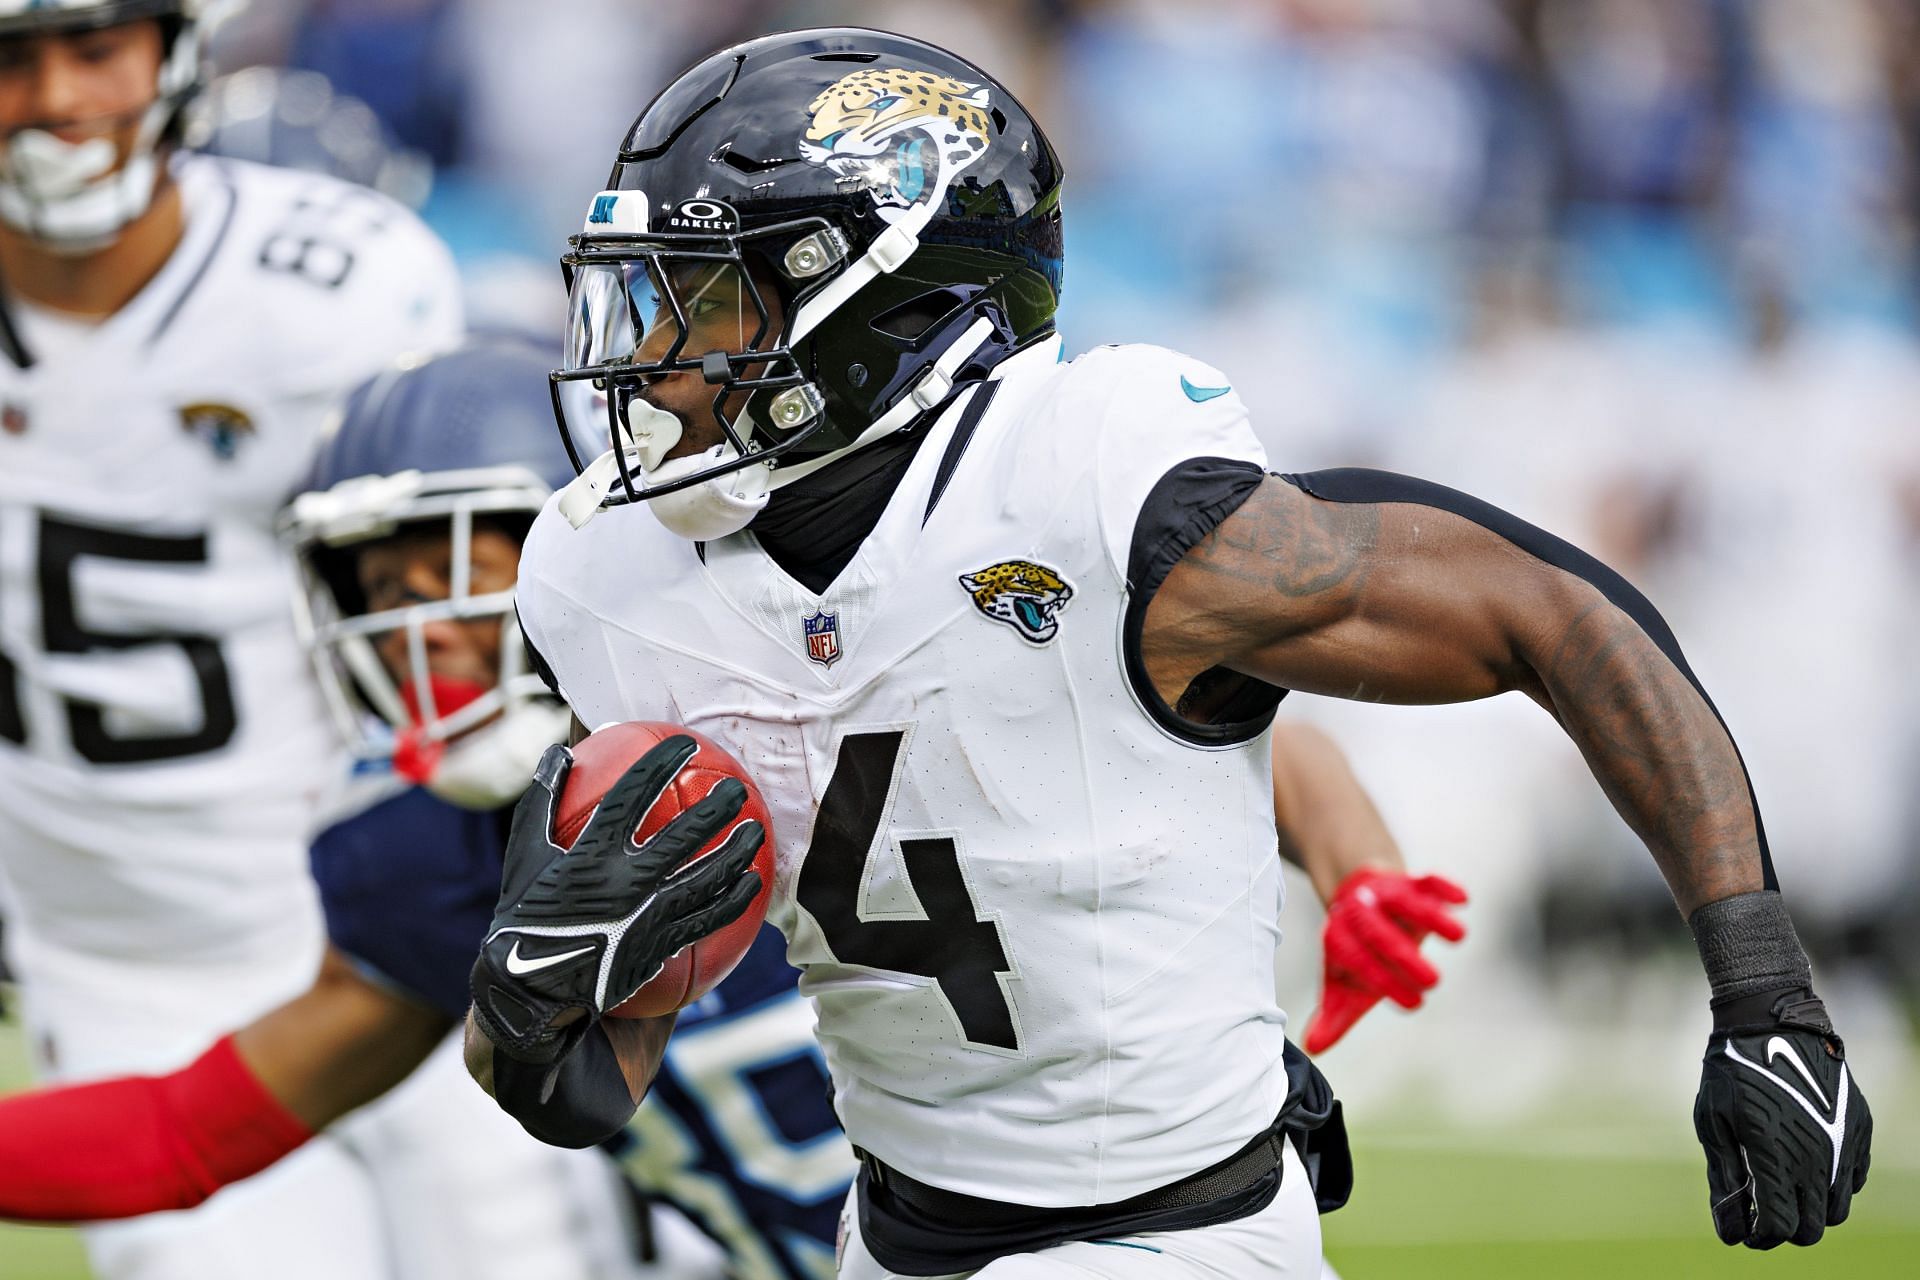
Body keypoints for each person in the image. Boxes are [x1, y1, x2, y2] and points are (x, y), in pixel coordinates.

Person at [468, 26, 1872, 1278]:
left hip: (1178, 1238)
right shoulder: (608, 576)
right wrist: (531, 1013)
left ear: (881, 309)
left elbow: (1552, 613)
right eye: (652, 300)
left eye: (709, 304)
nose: (653, 361)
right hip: (894, 1238)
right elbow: (594, 1083)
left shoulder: (1086, 482)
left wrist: (1766, 993)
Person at [0, 337, 1461, 1280]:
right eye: (383, 593)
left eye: (464, 567)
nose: (424, 632)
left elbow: (1183, 704)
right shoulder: (427, 859)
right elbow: (185, 1134)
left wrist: (1360, 870)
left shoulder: (782, 682)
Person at [0, 4, 585, 1277]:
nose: (53, 95)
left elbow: (488, 581)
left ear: (175, 51)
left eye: (93, 46)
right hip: (120, 943)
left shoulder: (331, 288)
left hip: (394, 896)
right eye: (9, 58)